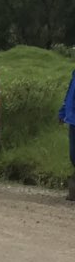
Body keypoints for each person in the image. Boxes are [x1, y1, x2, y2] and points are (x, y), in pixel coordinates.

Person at [59, 68, 75, 200]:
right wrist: (62, 113)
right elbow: (69, 95)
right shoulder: (74, 74)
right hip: (73, 120)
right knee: (73, 155)